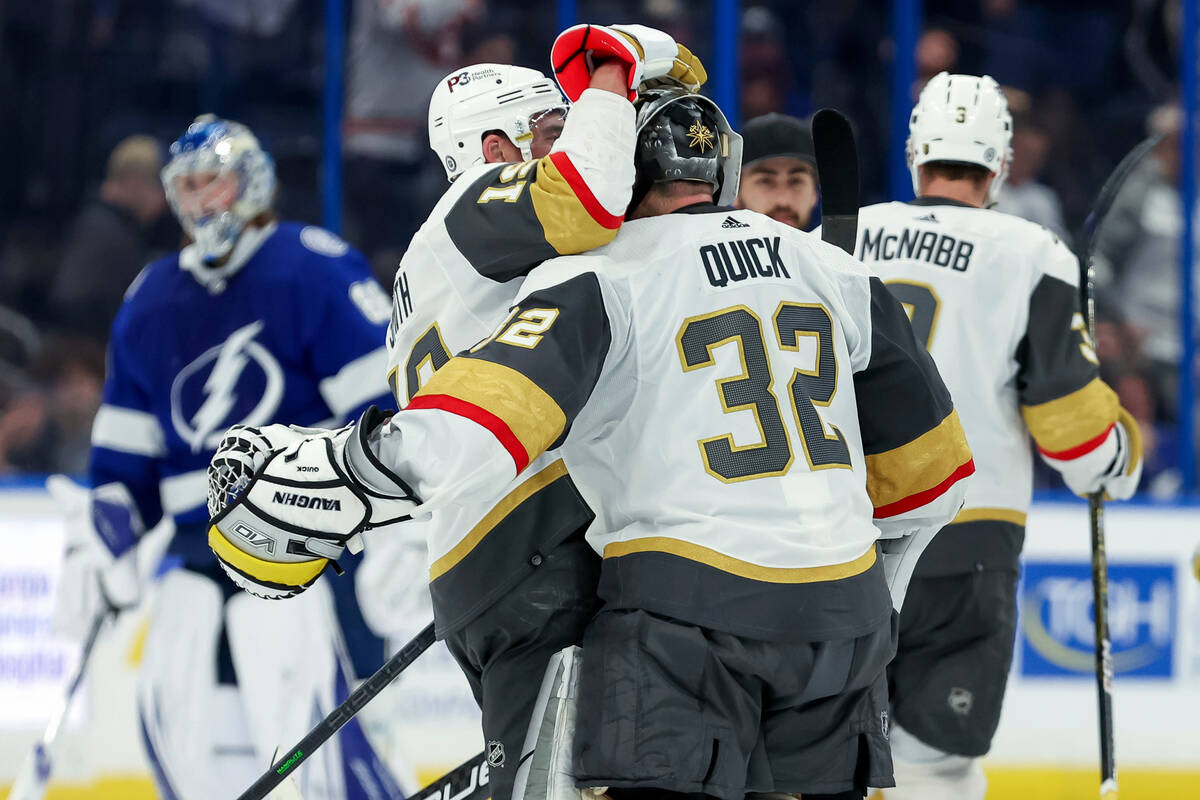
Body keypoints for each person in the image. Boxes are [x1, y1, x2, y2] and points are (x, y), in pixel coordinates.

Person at [207, 85, 977, 800]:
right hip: (847, 628)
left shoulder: (600, 277)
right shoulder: (835, 270)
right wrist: (870, 600)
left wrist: (349, 470)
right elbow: (937, 481)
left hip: (686, 612)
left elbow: (483, 424)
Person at [356, 24, 707, 800]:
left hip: (494, 560)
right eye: (550, 131)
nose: (569, 142)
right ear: (493, 148)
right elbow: (590, 197)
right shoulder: (479, 205)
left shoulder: (445, 259)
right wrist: (611, 78)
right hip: (533, 542)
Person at [54, 116, 405, 799]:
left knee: (318, 761)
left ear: (251, 182)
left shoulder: (311, 267)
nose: (197, 197)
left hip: (310, 549)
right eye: (183, 184)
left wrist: (391, 521)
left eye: (210, 179)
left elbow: (384, 415)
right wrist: (110, 520)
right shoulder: (151, 298)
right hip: (195, 556)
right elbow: (128, 456)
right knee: (188, 732)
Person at [847, 72, 1143, 800]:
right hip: (966, 540)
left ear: (916, 150)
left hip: (845, 537)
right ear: (1002, 164)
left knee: (829, 755)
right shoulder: (1033, 252)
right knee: (936, 769)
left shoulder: (843, 233)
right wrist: (1119, 460)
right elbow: (1074, 438)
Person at [47, 135, 170, 338]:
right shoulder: (106, 231)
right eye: (161, 186)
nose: (166, 199)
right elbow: (74, 313)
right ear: (134, 181)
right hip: (82, 357)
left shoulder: (103, 222)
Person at [735, 112, 819, 229]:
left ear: (814, 193)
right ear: (735, 194)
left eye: (796, 181)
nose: (783, 201)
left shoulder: (838, 247)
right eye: (766, 181)